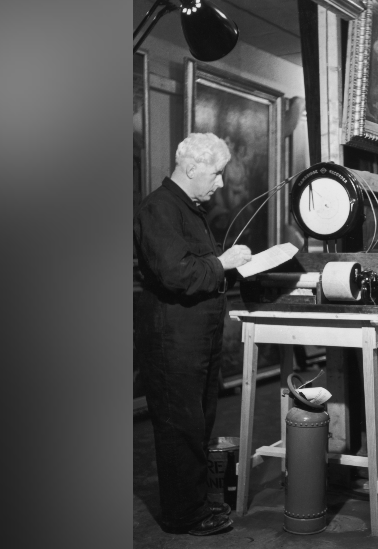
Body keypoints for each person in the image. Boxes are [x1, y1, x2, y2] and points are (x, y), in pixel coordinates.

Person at [134, 133, 253, 535]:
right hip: (173, 340)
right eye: (216, 174)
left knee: (198, 422)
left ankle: (195, 503)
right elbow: (178, 274)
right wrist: (224, 262)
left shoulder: (186, 208)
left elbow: (196, 267)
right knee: (180, 427)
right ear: (191, 168)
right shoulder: (159, 208)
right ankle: (184, 515)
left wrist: (227, 265)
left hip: (194, 337)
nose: (220, 183)